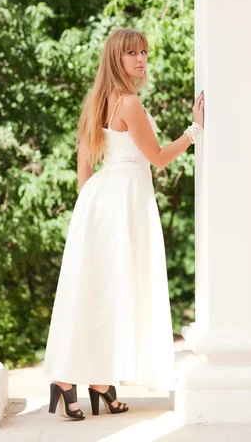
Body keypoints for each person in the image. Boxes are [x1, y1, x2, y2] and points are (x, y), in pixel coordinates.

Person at [43, 27, 205, 420]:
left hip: (101, 200)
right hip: (124, 200)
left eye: (144, 52)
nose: (140, 59)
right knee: (111, 290)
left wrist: (88, 205)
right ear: (116, 57)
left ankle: (91, 380)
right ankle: (77, 379)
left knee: (100, 292)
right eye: (131, 52)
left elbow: (84, 161)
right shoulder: (128, 102)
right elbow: (159, 157)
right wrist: (195, 130)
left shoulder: (98, 100)